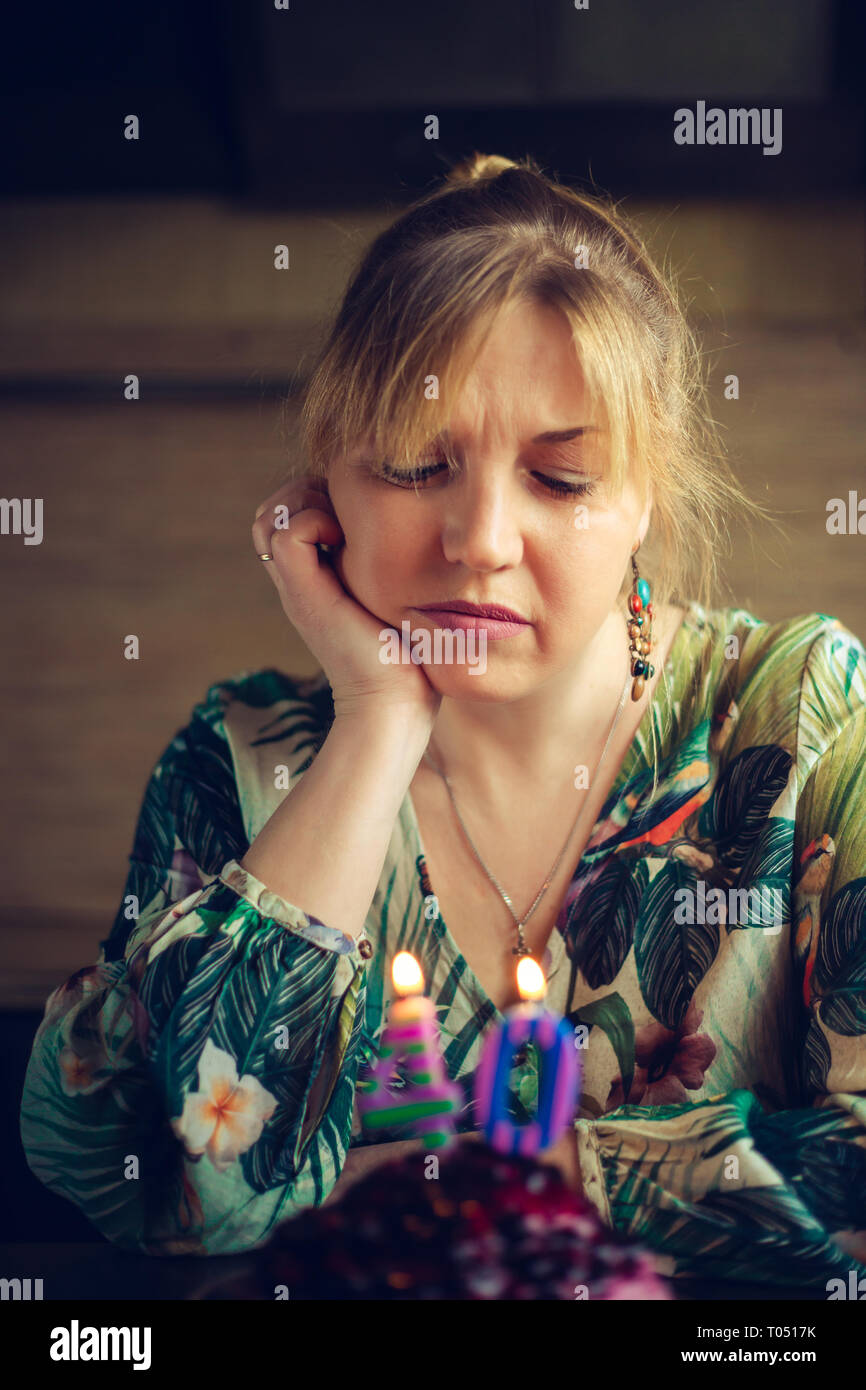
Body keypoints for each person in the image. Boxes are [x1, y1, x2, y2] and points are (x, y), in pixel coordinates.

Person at [20, 154, 866, 1288]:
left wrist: (532, 1173)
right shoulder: (235, 765)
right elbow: (163, 1188)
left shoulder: (803, 721)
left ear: (645, 494)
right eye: (417, 465)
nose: (477, 539)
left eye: (558, 480)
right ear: (327, 479)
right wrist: (373, 723)